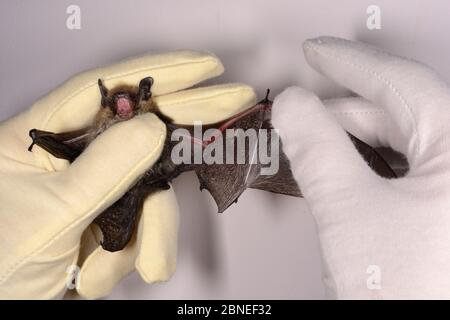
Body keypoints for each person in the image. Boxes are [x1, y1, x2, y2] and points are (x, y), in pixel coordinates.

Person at [2, 36, 450, 299]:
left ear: (140, 100)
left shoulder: (170, 133)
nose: (123, 108)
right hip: (108, 214)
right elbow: (56, 144)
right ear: (106, 107)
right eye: (115, 104)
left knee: (234, 136)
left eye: (131, 102)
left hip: (149, 177)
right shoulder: (84, 137)